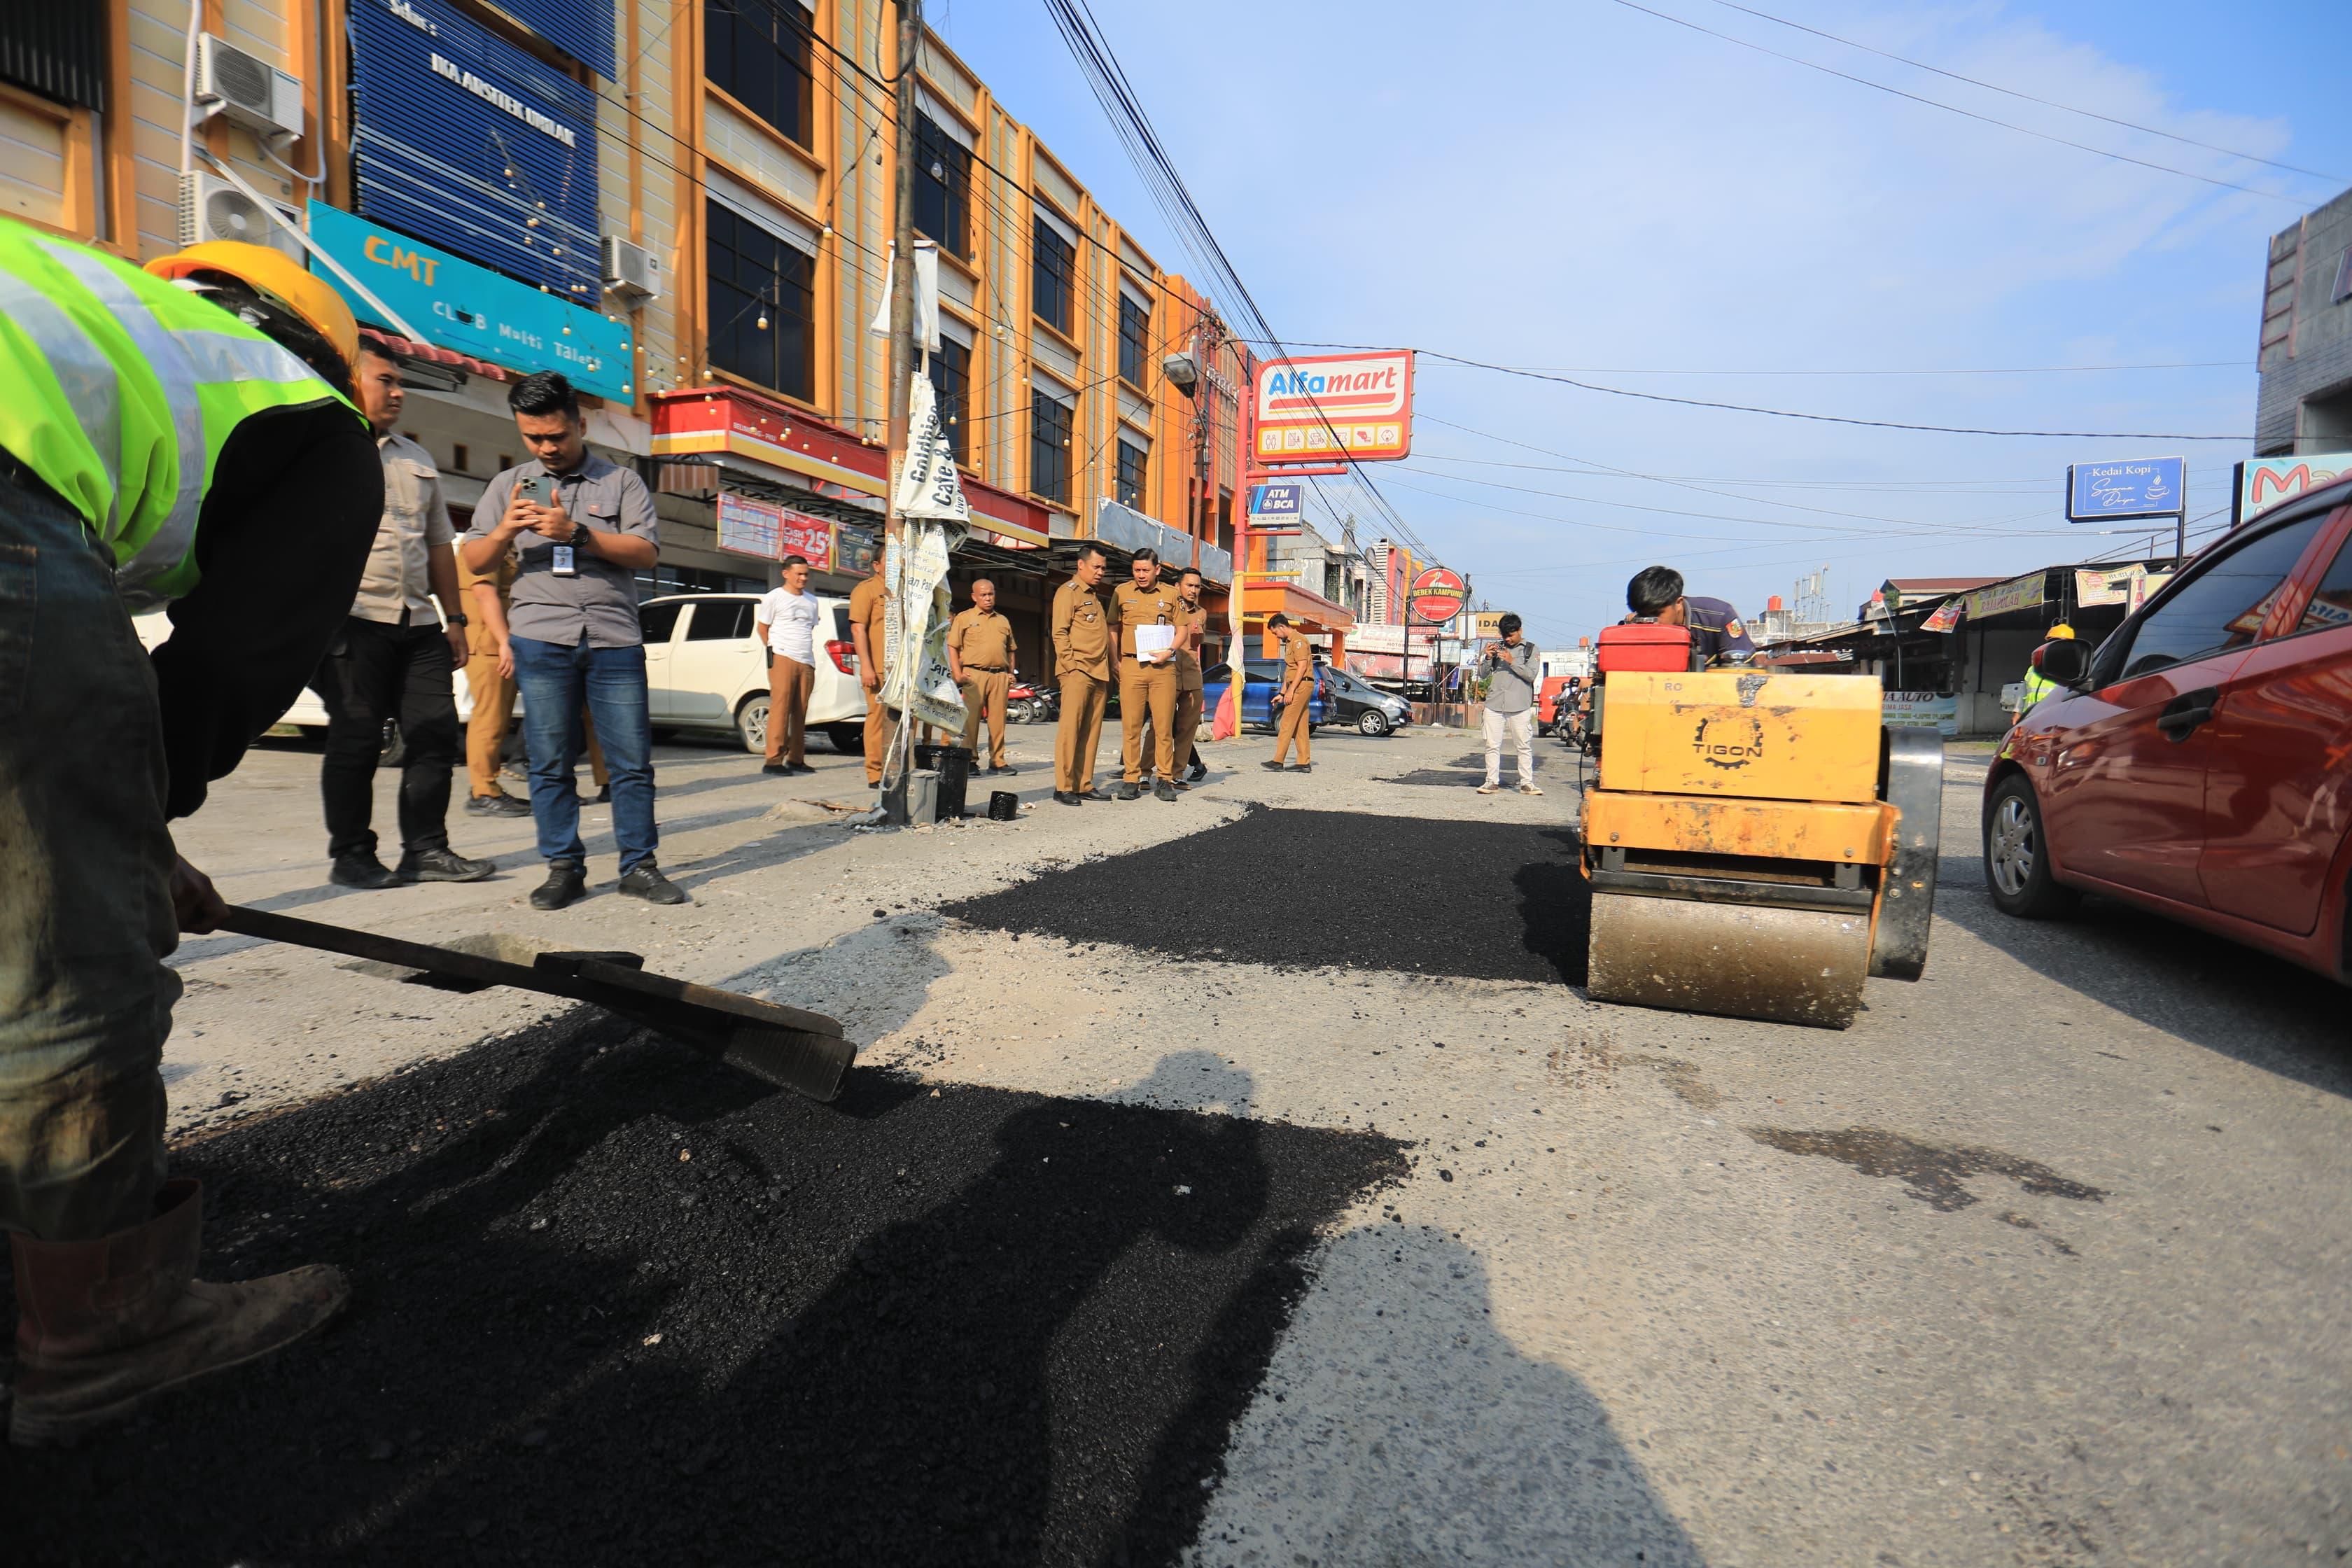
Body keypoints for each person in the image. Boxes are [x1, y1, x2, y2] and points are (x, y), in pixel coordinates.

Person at [0, 227, 382, 1443]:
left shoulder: (77, 302)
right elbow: (221, 673)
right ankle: (108, 1333)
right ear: (325, 347)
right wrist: (131, 851)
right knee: (69, 972)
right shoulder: (309, 414)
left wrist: (136, 843)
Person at [463, 372, 682, 910]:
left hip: (613, 638)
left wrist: (578, 534)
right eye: (533, 438)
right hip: (541, 638)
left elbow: (646, 552)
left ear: (580, 425)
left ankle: (639, 866)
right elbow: (473, 563)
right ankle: (563, 867)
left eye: (557, 436)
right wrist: (505, 531)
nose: (546, 448)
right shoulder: (508, 486)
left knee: (631, 761)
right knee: (550, 759)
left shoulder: (623, 483)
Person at [316, 340, 494, 887]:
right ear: (351, 382)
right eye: (386, 380)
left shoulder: (416, 459)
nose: (398, 392)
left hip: (417, 625)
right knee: (357, 736)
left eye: (400, 383)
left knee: (434, 734)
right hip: (350, 621)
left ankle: (427, 850)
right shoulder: (317, 451)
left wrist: (456, 620)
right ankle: (352, 854)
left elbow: (441, 546)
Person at [1112, 547, 1184, 802]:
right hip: (1132, 666)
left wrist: (1170, 651)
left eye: (1145, 570)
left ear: (1157, 570)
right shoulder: (1121, 592)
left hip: (1163, 668)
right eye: (1136, 570)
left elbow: (1183, 630)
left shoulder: (1172, 595)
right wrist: (1116, 660)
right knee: (1131, 727)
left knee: (1163, 726)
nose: (1141, 575)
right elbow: (1113, 626)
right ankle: (1131, 779)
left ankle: (1164, 779)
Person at [1051, 543, 1113, 806]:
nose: (1100, 572)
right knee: (1070, 730)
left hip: (1099, 672)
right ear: (1081, 565)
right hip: (1078, 671)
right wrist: (1071, 666)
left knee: (1090, 732)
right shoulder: (1069, 593)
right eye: (1096, 567)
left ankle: (1083, 783)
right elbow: (1059, 632)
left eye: (1103, 568)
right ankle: (1064, 786)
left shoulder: (1095, 598)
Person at [755, 554, 822, 776]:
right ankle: (773, 761)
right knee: (780, 709)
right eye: (799, 574)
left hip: (806, 660)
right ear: (786, 574)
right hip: (783, 656)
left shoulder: (812, 601)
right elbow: (762, 628)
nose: (803, 578)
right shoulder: (775, 597)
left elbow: (809, 629)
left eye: (806, 574)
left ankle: (796, 759)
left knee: (800, 711)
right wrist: (774, 650)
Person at [948, 577, 1018, 775]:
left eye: (991, 594)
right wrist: (957, 673)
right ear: (974, 597)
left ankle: (998, 761)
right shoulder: (964, 618)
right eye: (983, 595)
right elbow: (952, 646)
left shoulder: (1003, 620)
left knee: (998, 722)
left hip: (999, 677)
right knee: (971, 721)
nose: (988, 598)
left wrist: (1010, 674)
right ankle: (969, 760)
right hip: (975, 675)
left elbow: (1011, 649)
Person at [1624, 564, 1756, 668]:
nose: (1650, 622)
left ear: (1679, 603)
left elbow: (1742, 669)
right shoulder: (1635, 626)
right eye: (1642, 615)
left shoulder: (1720, 616)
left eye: (1657, 614)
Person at [1477, 612, 1542, 796]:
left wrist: (1512, 662)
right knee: (1491, 744)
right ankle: (1491, 782)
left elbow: (1531, 675)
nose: (1508, 639)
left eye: (1511, 635)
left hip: (1519, 705)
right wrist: (1488, 658)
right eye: (1505, 636)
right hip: (1494, 703)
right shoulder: (1497, 648)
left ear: (1520, 630)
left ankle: (1527, 783)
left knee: (1523, 745)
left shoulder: (1531, 650)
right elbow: (1482, 675)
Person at [848, 543, 892, 789]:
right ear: (876, 566)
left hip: (902, 670)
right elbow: (858, 628)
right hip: (877, 668)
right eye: (890, 559)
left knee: (905, 720)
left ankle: (898, 767)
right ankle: (875, 773)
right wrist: (866, 666)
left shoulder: (905, 591)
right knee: (877, 720)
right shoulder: (866, 590)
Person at [1170, 568, 1209, 788]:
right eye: (1190, 585)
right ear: (1178, 586)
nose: (1194, 590)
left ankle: (1179, 771)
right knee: (1159, 724)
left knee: (1185, 728)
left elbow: (1196, 644)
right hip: (1166, 673)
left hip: (1191, 675)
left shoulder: (1201, 614)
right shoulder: (1167, 609)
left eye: (1197, 586)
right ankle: (1136, 769)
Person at [1262, 613, 1315, 773]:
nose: (1276, 636)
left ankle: (1278, 761)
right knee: (1300, 726)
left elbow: (1302, 667)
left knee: (1286, 723)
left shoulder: (1298, 641)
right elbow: (1290, 672)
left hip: (1302, 685)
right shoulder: (1290, 642)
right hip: (1299, 684)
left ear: (1282, 627)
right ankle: (1303, 763)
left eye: (1275, 633)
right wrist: (1283, 693)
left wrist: (1291, 691)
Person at [2016, 623, 2076, 715]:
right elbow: (2023, 692)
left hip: (2051, 719)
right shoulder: (2033, 668)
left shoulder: (2071, 671)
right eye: (2052, 642)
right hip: (2028, 718)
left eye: (2060, 643)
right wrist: (2017, 712)